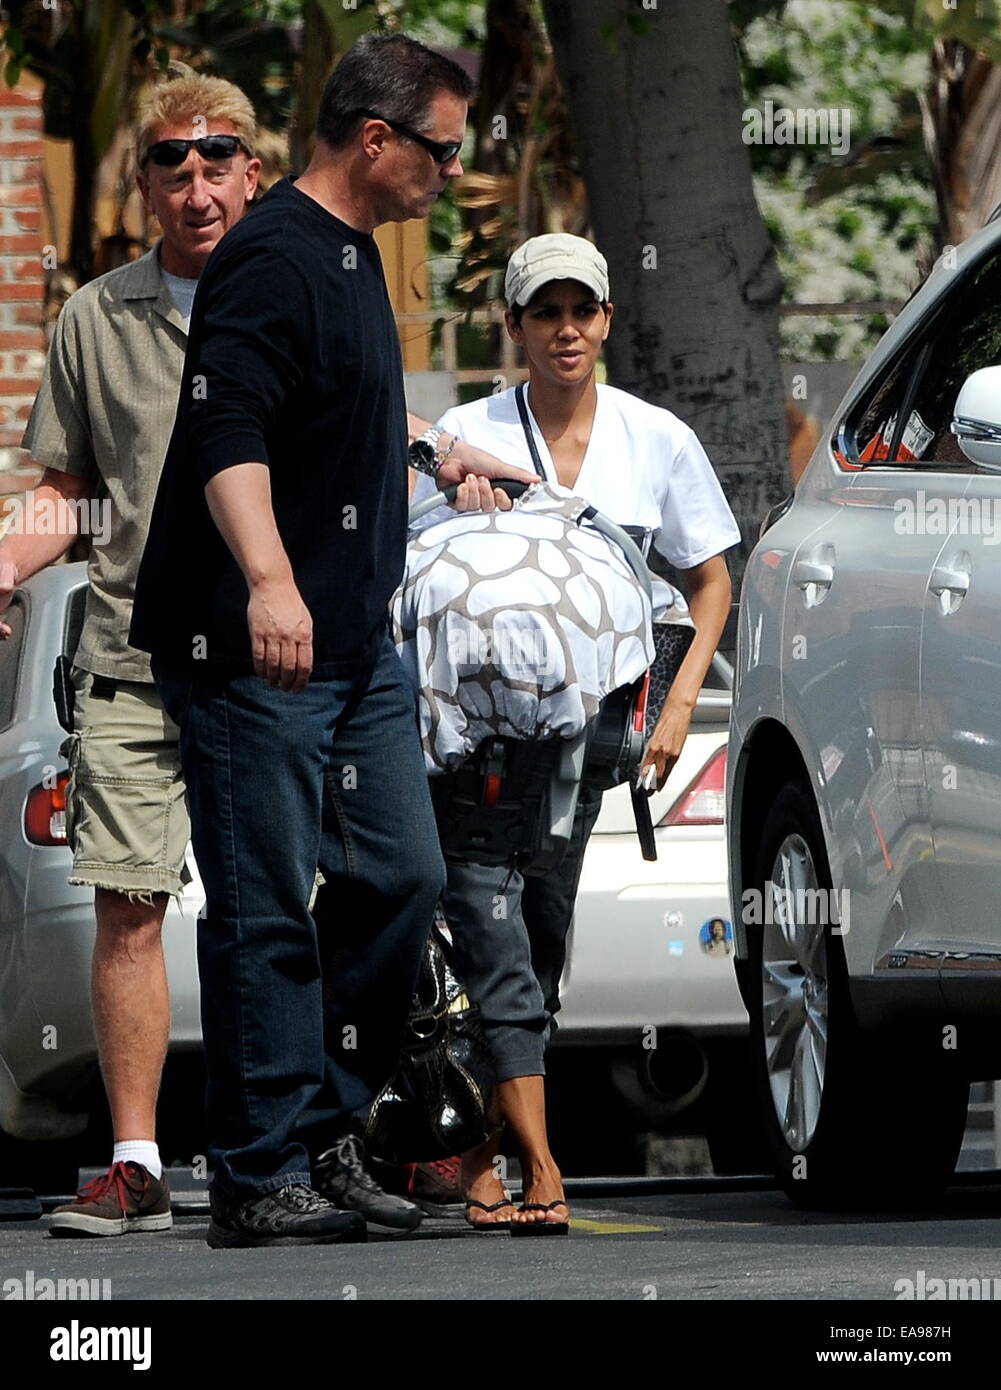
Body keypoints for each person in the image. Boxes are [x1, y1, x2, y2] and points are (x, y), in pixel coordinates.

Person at [128, 33, 535, 1249]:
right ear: (376, 140)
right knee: (261, 906)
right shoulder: (267, 257)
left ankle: (328, 1130)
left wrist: (432, 449)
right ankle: (257, 1172)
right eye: (444, 150)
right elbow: (226, 431)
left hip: (355, 648)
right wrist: (266, 580)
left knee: (398, 878)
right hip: (261, 648)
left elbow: (335, 399)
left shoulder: (351, 253)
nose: (453, 172)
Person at [409, 233, 742, 1230]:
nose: (565, 328)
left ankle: (493, 1145)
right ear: (513, 325)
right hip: (476, 729)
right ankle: (506, 1166)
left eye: (582, 310)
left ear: (605, 320)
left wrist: (678, 704)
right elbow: (413, 576)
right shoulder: (459, 430)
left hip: (598, 723)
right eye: (543, 311)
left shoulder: (655, 439)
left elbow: (710, 579)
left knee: (539, 924)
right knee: (488, 923)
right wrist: (454, 510)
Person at [0, 73, 263, 1236]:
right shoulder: (94, 319)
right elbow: (63, 489)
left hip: (273, 659)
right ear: (147, 181)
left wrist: (451, 457)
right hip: (132, 655)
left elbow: (372, 445)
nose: (195, 184)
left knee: (274, 907)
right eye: (172, 163)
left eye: (217, 160)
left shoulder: (302, 294)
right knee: (129, 905)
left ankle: (287, 1149)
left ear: (252, 169)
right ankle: (139, 1160)